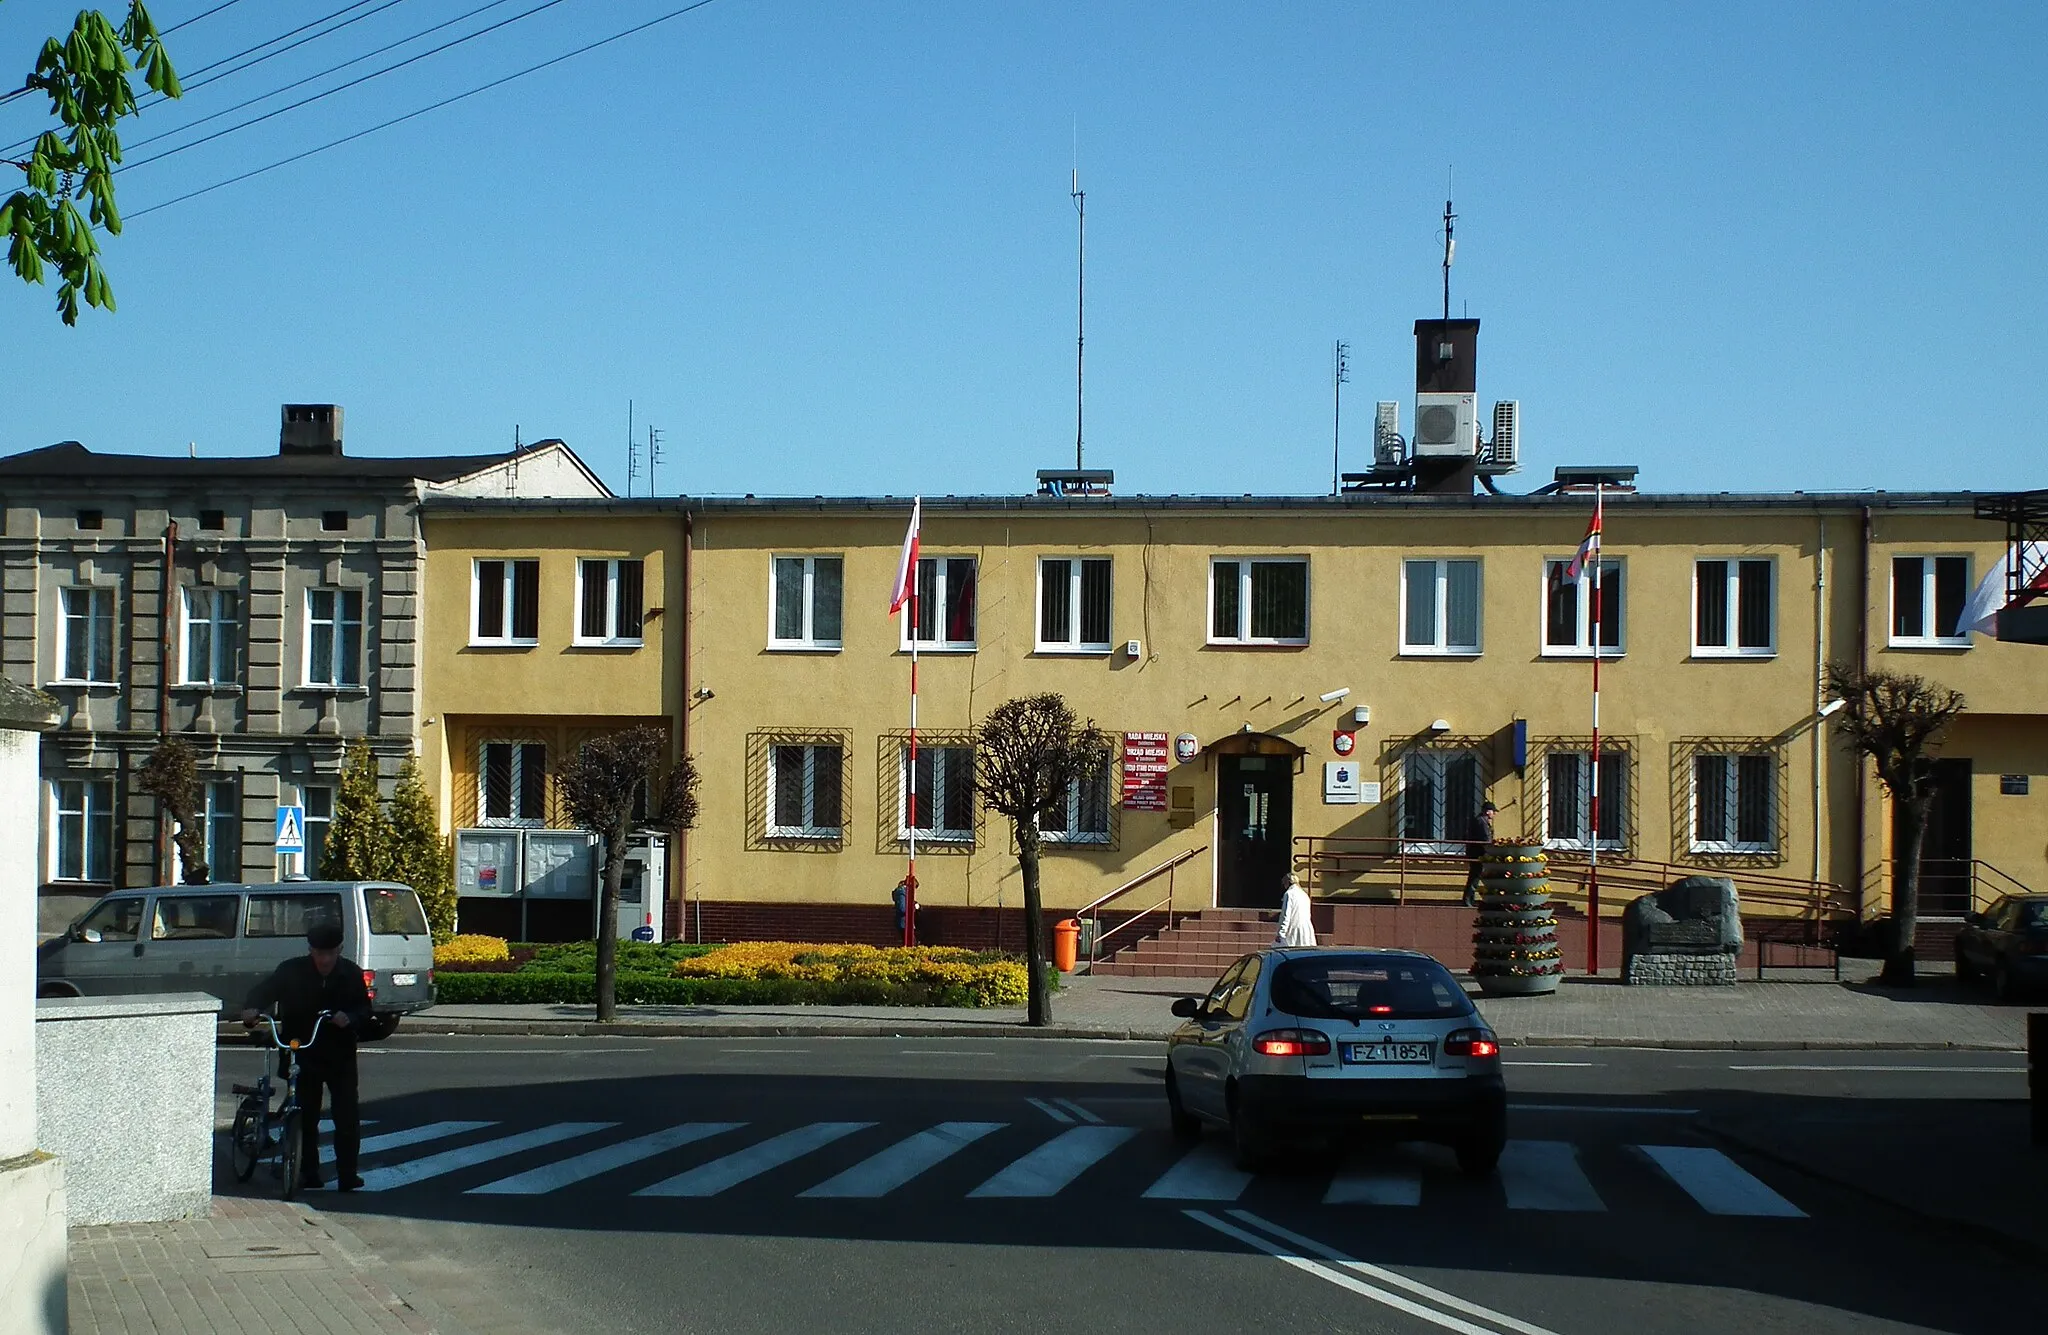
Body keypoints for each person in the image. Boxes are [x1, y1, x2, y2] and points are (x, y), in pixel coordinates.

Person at [240, 921, 372, 1191]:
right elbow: (264, 991)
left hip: (340, 1054)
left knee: (346, 1115)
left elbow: (365, 1009)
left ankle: (348, 1173)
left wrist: (351, 1018)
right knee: (305, 1114)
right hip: (301, 1050)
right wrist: (251, 1009)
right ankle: (308, 1172)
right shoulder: (291, 970)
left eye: (330, 953)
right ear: (310, 950)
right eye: (319, 953)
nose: (324, 959)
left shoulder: (350, 973)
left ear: (339, 951)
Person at [1462, 800, 1498, 906]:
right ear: (1487, 812)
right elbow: (1486, 838)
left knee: (1475, 875)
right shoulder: (1482, 822)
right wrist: (1492, 848)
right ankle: (1468, 900)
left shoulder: (1481, 820)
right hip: (1477, 854)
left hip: (1476, 853)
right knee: (1475, 876)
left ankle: (1470, 899)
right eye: (1493, 811)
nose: (1494, 814)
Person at [1275, 873, 1316, 947]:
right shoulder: (1304, 895)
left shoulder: (1289, 894)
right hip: (1306, 930)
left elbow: (1286, 915)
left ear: (1288, 883)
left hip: (1293, 929)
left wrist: (1281, 933)